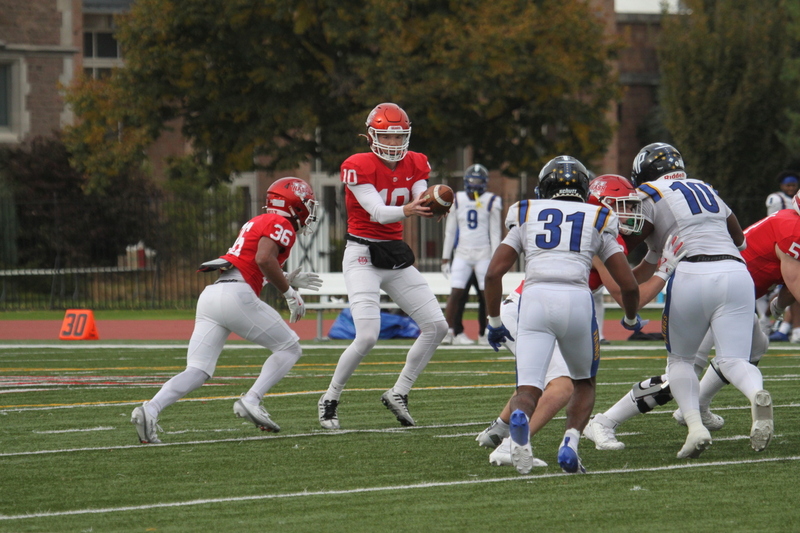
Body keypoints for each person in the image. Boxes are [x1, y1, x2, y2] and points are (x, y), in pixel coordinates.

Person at [478, 176, 680, 468]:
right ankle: (511, 446)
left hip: (530, 305)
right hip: (540, 307)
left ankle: (499, 428)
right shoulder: (595, 224)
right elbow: (626, 293)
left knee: (534, 380)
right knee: (564, 385)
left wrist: (654, 257)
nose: (630, 213)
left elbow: (628, 281)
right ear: (596, 200)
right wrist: (665, 271)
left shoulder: (568, 219)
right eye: (621, 206)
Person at [586, 190, 800, 452]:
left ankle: (699, 404)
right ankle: (606, 420)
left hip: (721, 287)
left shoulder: (683, 203)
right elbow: (793, 280)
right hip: (723, 287)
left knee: (752, 347)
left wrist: (775, 309)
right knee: (685, 369)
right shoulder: (791, 228)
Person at [131, 177, 321, 444]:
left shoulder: (257, 221)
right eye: (306, 204)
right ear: (294, 204)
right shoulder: (281, 222)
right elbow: (264, 259)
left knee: (197, 370)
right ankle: (252, 399)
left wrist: (286, 277)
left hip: (213, 294)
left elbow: (250, 263)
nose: (309, 211)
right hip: (237, 296)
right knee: (290, 348)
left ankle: (150, 409)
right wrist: (289, 293)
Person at [614, 142, 772, 459]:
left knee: (680, 361)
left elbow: (628, 242)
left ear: (644, 172)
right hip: (736, 271)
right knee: (733, 360)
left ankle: (696, 428)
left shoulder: (647, 193)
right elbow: (739, 238)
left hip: (692, 271)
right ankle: (756, 393)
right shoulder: (704, 188)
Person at [317, 102, 448, 430]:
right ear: (371, 136)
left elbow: (420, 194)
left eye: (399, 137)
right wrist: (411, 209)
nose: (393, 143)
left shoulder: (416, 161)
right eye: (387, 138)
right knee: (367, 336)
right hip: (361, 254)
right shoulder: (357, 165)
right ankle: (330, 397)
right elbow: (377, 211)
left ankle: (400, 391)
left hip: (393, 254)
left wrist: (433, 200)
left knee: (437, 327)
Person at [441, 164, 502, 345]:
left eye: (478, 180)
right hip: (462, 253)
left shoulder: (492, 200)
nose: (475, 184)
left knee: (487, 295)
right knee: (456, 292)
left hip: (483, 253)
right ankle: (448, 332)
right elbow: (450, 231)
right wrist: (445, 257)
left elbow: (495, 232)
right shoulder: (457, 199)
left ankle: (486, 333)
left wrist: (496, 257)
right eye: (472, 180)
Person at [763, 171, 799, 341]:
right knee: (782, 292)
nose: (791, 188)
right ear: (782, 186)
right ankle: (767, 322)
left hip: (792, 243)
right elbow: (773, 221)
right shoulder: (776, 199)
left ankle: (788, 328)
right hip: (783, 244)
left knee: (792, 291)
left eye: (793, 185)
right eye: (788, 185)